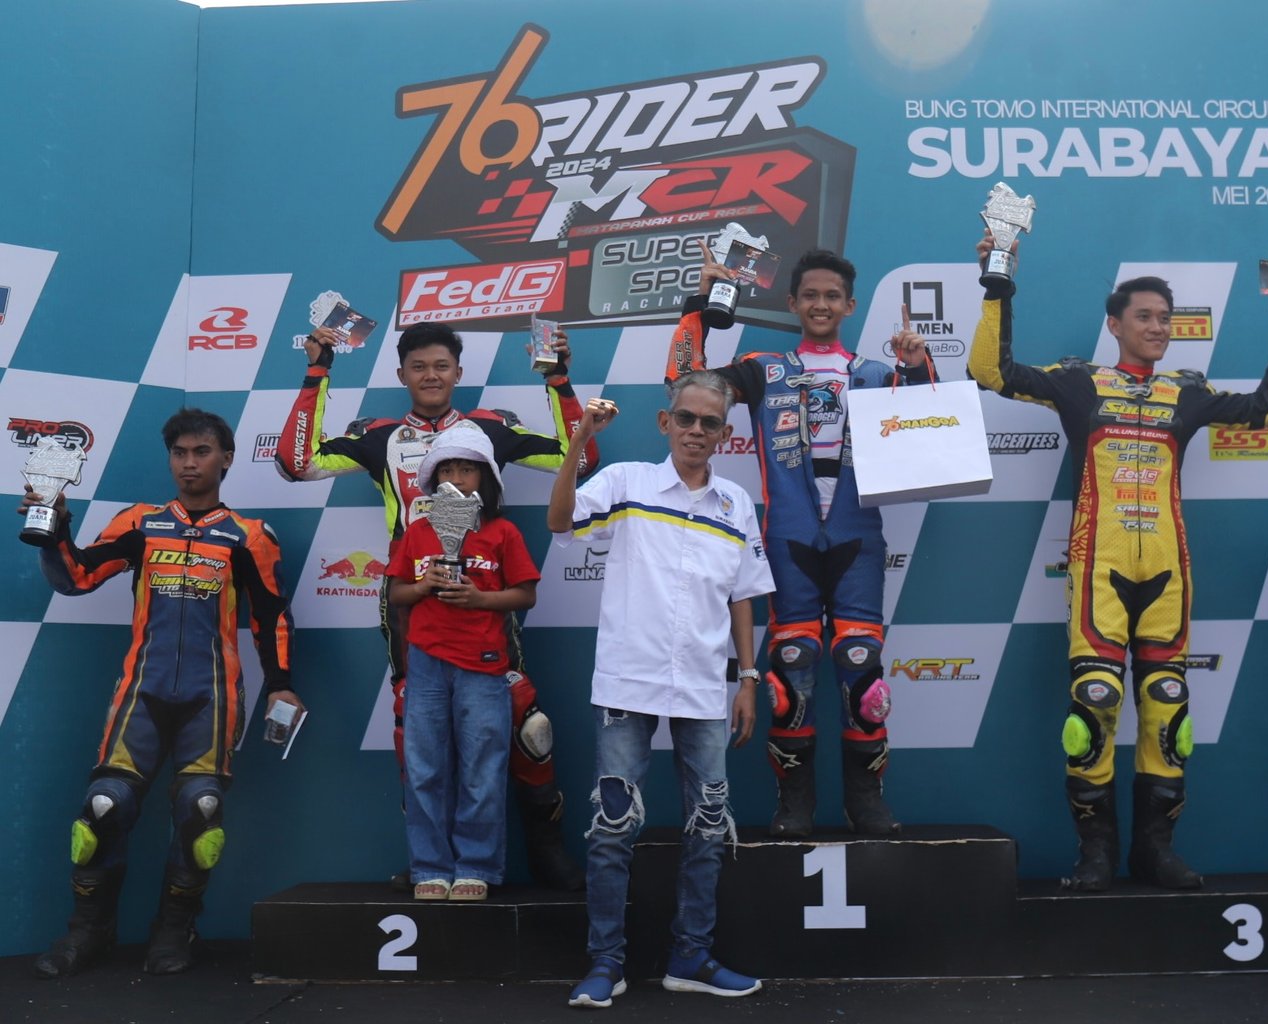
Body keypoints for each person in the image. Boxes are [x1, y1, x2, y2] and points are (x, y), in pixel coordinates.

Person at [969, 230, 1268, 891]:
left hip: (1168, 571)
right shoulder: (1079, 383)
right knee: (1094, 704)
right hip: (1097, 568)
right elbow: (992, 371)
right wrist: (997, 280)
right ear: (1115, 325)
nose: (1158, 327)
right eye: (1145, 317)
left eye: (1165, 318)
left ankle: (1155, 852)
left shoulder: (1185, 392)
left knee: (1168, 707)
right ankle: (1095, 855)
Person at [276, 320, 598, 890]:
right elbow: (296, 462)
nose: (431, 375)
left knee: (525, 721)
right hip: (411, 599)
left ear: (458, 373)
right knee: (416, 730)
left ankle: (544, 851)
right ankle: (431, 861)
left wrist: (559, 381)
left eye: (441, 366)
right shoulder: (379, 437)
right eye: (419, 366)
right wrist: (317, 369)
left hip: (485, 591)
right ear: (401, 374)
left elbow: (581, 459)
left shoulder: (489, 429)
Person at [665, 243, 929, 838]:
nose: (821, 304)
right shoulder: (763, 368)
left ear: (850, 305)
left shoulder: (876, 375)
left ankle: (867, 803)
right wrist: (699, 307)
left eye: (832, 296)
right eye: (810, 295)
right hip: (789, 537)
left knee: (862, 670)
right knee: (792, 668)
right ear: (792, 303)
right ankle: (795, 805)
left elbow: (932, 429)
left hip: (858, 537)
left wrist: (917, 367)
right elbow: (686, 383)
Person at [23, 409, 298, 977]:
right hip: (141, 691)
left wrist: (282, 685)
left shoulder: (249, 536)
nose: (189, 464)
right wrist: (55, 531)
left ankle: (175, 931)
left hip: (212, 696)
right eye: (179, 453)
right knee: (102, 809)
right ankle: (88, 931)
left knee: (201, 811)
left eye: (202, 452)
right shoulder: (141, 523)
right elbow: (76, 578)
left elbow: (272, 616)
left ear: (226, 458)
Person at [549, 375, 773, 1006]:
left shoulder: (736, 504)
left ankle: (691, 957)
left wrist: (748, 677)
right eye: (686, 418)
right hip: (628, 681)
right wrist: (579, 441)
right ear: (664, 422)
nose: (696, 431)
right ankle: (605, 964)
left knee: (708, 826)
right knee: (612, 827)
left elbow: (743, 597)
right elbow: (560, 521)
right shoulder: (626, 483)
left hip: (704, 687)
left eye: (710, 422)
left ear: (725, 433)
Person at [386, 423, 540, 901]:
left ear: (485, 478)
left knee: (483, 769)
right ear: (433, 481)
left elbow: (526, 595)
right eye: (447, 469)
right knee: (425, 769)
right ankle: (430, 867)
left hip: (484, 664)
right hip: (426, 662)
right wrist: (425, 586)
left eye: (467, 469)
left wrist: (480, 598)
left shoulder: (503, 532)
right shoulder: (418, 532)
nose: (456, 478)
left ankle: (476, 866)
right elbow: (396, 594)